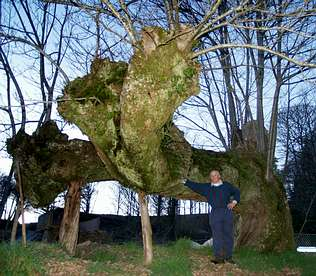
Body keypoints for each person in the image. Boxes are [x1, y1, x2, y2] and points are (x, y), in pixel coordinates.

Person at [183, 170, 240, 264]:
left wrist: (234, 202)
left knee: (228, 235)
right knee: (217, 235)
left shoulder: (227, 185)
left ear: (219, 176)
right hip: (215, 213)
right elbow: (196, 186)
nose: (213, 177)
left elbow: (236, 192)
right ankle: (219, 258)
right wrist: (186, 182)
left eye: (215, 175)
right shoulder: (207, 188)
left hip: (227, 212)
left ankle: (228, 257)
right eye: (211, 176)